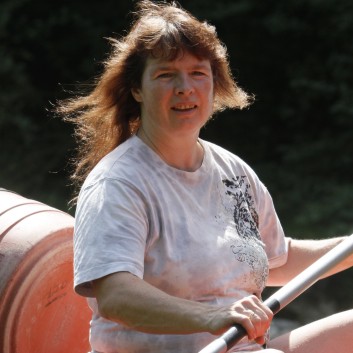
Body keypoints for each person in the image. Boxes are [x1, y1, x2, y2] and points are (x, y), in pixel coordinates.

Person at [58, 1, 353, 352]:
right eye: (166, 74)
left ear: (214, 84)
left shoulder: (234, 171)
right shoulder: (117, 183)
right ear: (137, 89)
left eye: (198, 73)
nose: (185, 87)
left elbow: (275, 260)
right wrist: (210, 316)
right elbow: (116, 295)